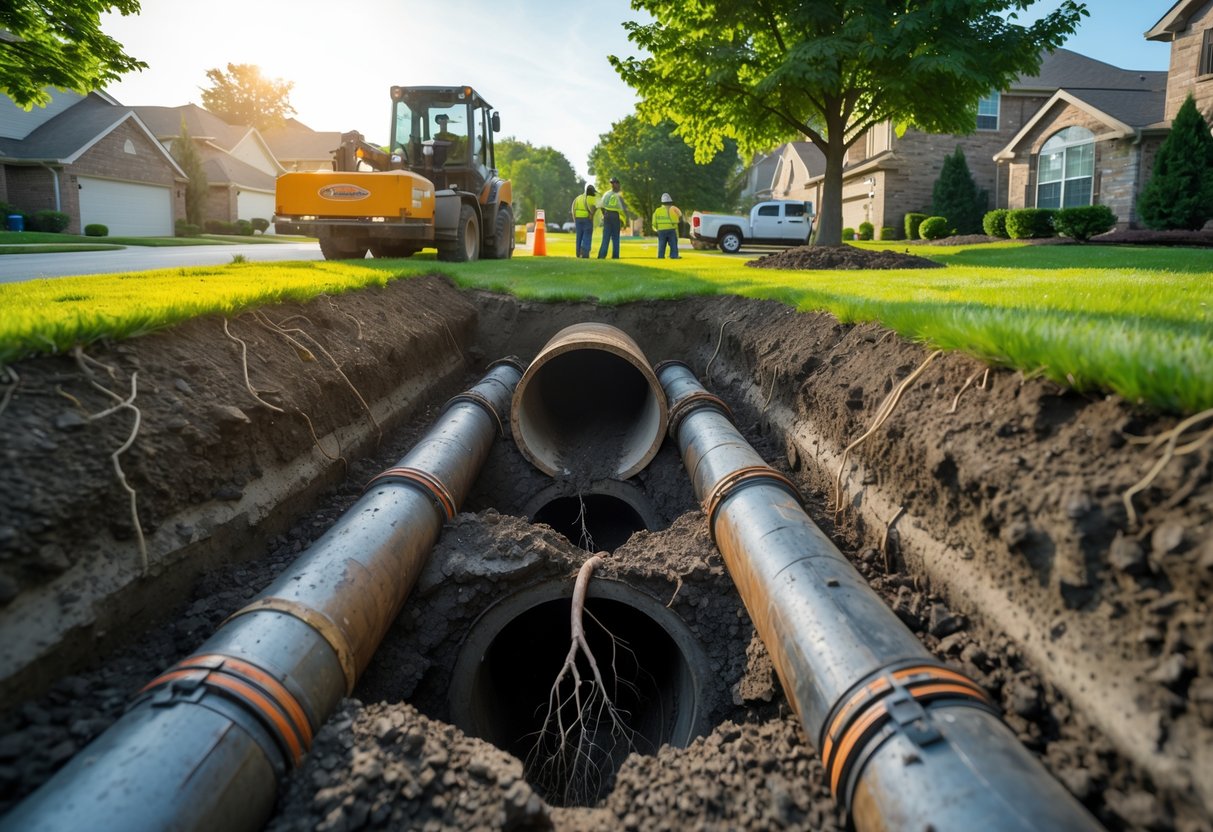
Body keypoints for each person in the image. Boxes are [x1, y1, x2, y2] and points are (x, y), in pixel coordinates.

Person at [597, 177, 631, 259]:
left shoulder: (607, 194)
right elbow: (625, 208)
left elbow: (601, 205)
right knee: (615, 238)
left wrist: (604, 213)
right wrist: (627, 219)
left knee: (606, 237)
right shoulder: (619, 195)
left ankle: (602, 256)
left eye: (613, 183)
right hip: (614, 216)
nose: (613, 185)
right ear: (617, 184)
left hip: (608, 216)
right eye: (613, 183)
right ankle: (615, 256)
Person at [652, 192, 683, 259]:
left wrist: (656, 228)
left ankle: (660, 256)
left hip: (661, 230)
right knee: (673, 244)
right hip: (671, 229)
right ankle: (674, 256)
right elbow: (680, 216)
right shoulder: (673, 209)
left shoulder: (657, 211)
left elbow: (654, 222)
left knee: (661, 244)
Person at [571, 184, 598, 258]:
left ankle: (578, 253)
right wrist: (592, 214)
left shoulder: (578, 198)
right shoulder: (591, 198)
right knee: (587, 235)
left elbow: (573, 209)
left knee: (579, 237)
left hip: (577, 219)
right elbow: (595, 208)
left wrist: (575, 220)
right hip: (587, 219)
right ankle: (585, 253)